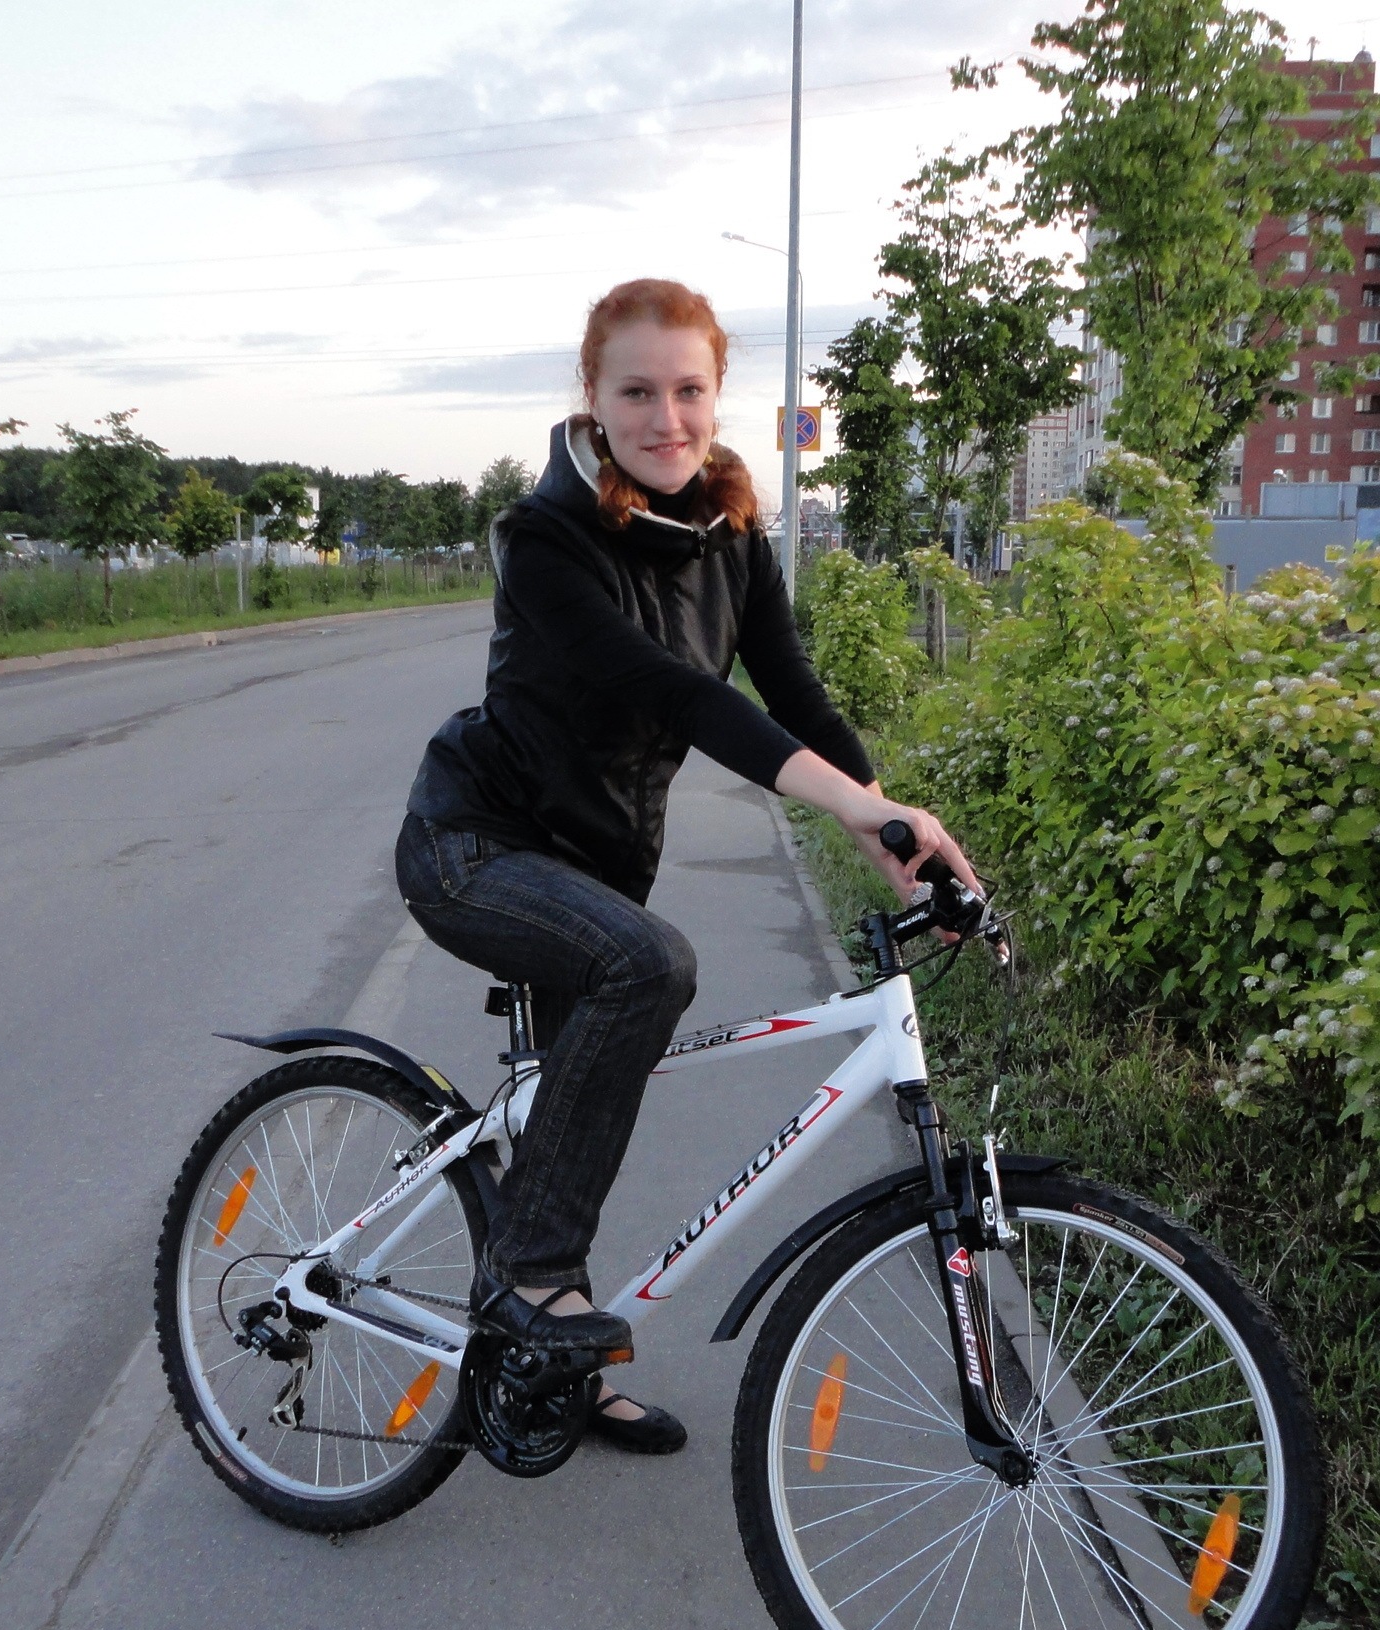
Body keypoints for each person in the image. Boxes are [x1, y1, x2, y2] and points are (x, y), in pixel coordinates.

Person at [395, 277, 977, 1454]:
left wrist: (886, 827)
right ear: (593, 397)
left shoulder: (729, 534)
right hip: (476, 846)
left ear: (717, 395)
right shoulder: (542, 539)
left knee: (577, 1117)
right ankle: (531, 1279)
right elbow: (681, 695)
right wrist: (859, 808)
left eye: (689, 390)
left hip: (596, 871)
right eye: (638, 392)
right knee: (648, 966)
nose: (667, 418)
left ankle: (548, 1359)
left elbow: (791, 689)